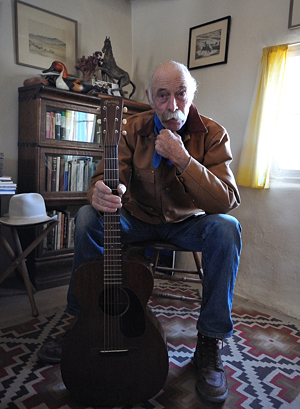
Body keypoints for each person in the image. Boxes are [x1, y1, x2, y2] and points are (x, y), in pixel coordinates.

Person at [37, 60, 242, 404]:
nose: (172, 105)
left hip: (186, 225)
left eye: (180, 94)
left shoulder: (213, 133)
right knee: (88, 217)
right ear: (149, 96)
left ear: (192, 95)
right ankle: (80, 318)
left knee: (227, 229)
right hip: (136, 218)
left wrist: (183, 159)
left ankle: (209, 342)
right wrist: (102, 191)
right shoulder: (131, 129)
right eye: (162, 96)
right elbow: (104, 179)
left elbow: (226, 200)